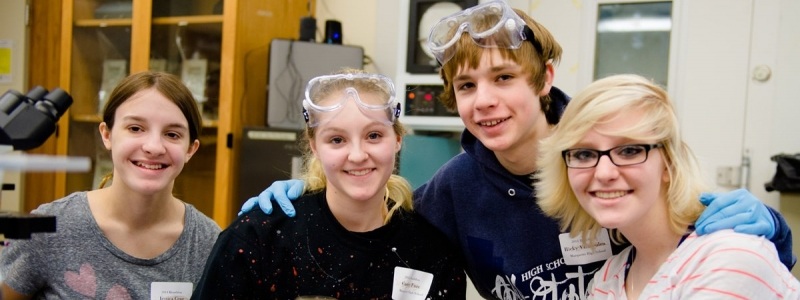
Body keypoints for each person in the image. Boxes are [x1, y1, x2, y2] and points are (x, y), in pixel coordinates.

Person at [241, 1, 795, 298]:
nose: (484, 102)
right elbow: (379, 227)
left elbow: (718, 243)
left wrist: (770, 223)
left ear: (545, 78)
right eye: (466, 86)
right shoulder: (453, 193)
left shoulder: (610, 153)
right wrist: (309, 193)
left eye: (503, 77)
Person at [191, 70, 467, 299]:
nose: (358, 155)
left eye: (373, 135)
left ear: (397, 140)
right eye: (337, 140)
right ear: (314, 146)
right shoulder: (261, 238)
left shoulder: (430, 253)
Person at [535, 74, 800, 298]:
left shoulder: (726, 258)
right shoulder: (609, 277)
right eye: (583, 154)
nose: (604, 173)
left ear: (669, 165)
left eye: (629, 151)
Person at [0, 71, 221, 299]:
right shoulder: (49, 229)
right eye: (135, 128)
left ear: (190, 149)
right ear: (107, 135)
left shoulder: (208, 243)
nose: (154, 147)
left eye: (172, 134)